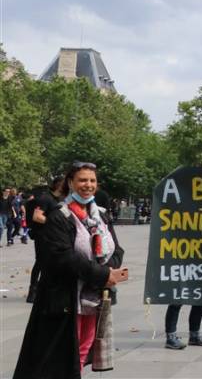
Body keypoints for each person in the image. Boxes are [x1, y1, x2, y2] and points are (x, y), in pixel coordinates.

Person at [14, 161, 129, 378]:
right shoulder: (59, 215)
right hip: (65, 298)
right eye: (82, 180)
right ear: (71, 183)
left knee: (84, 348)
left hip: (92, 295)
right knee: (61, 355)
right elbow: (63, 258)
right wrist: (104, 274)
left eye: (92, 180)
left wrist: (110, 270)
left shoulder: (100, 215)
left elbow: (117, 249)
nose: (88, 185)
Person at [24, 176, 64, 304]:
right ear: (59, 185)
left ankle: (46, 290)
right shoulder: (45, 198)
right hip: (43, 236)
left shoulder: (57, 199)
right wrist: (55, 223)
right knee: (41, 262)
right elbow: (37, 217)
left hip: (52, 235)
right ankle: (32, 292)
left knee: (52, 262)